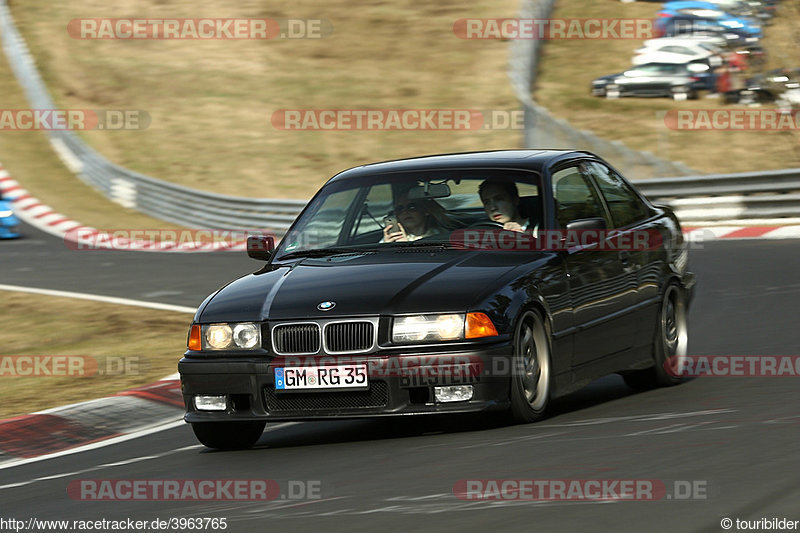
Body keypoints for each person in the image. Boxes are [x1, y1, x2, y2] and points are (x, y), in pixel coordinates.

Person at [382, 190, 451, 242]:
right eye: (399, 209)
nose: (405, 212)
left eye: (412, 207)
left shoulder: (443, 237)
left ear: (426, 210)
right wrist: (386, 246)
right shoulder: (392, 237)